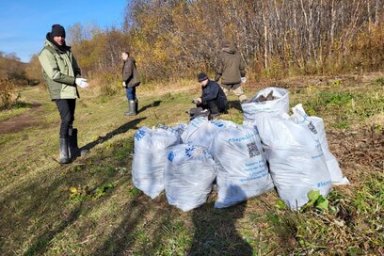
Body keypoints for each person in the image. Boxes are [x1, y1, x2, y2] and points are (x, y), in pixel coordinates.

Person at [38, 24, 88, 164]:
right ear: (52, 36)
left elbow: (76, 68)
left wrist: (78, 77)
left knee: (71, 118)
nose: (61, 38)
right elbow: (54, 74)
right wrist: (74, 80)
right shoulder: (46, 52)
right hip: (59, 91)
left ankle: (74, 149)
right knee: (66, 118)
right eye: (58, 35)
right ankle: (63, 153)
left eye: (63, 36)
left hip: (71, 89)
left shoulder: (67, 51)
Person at [121, 51, 140, 116]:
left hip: (130, 82)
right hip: (132, 81)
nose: (122, 57)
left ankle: (132, 112)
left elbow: (128, 73)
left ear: (126, 55)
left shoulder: (128, 62)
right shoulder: (129, 61)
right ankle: (134, 110)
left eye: (123, 55)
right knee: (133, 95)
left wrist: (124, 80)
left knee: (130, 95)